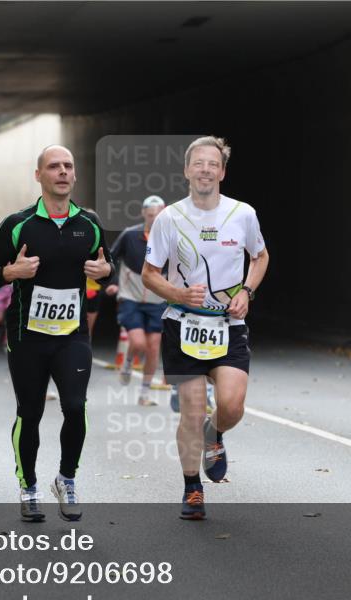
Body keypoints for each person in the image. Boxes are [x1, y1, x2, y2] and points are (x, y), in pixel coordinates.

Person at [0, 145, 115, 522]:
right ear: (38, 175)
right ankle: (28, 486)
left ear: (74, 175)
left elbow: (108, 268)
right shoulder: (18, 224)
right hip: (27, 336)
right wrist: (11, 273)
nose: (62, 172)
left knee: (75, 406)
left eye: (68, 166)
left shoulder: (88, 225)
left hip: (72, 335)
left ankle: (66, 479)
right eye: (53, 166)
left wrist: (104, 275)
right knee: (31, 411)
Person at [142, 136, 269, 520]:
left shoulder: (243, 214)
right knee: (192, 411)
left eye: (212, 164)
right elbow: (149, 275)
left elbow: (260, 256)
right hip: (182, 325)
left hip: (228, 325)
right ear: (186, 170)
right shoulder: (169, 218)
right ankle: (192, 487)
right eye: (198, 163)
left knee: (231, 405)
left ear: (223, 172)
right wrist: (178, 294)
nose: (205, 170)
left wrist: (247, 290)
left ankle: (216, 434)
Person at [107, 195, 168, 406]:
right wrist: (112, 282)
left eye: (157, 214)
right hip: (130, 296)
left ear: (164, 212)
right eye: (150, 215)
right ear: (143, 213)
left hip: (157, 299)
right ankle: (127, 365)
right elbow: (110, 258)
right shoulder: (130, 235)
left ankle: (144, 394)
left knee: (153, 347)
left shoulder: (172, 237)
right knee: (139, 343)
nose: (153, 218)